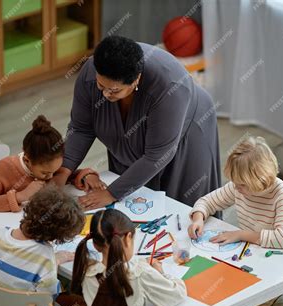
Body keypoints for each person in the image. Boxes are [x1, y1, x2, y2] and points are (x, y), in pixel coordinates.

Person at [53, 35, 221, 210]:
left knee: (180, 208)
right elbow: (81, 129)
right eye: (101, 86)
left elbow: (156, 156)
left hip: (188, 129)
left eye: (114, 90)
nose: (105, 95)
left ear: (136, 80)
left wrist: (112, 193)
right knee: (132, 208)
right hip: (149, 142)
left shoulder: (170, 88)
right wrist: (63, 172)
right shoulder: (91, 72)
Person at [0, 115, 104, 216]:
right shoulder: (6, 167)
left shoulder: (52, 166)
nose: (51, 177)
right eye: (45, 173)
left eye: (55, 171)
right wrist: (21, 196)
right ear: (27, 160)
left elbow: (66, 175)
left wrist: (86, 175)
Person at [0, 186, 85, 306]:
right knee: (80, 303)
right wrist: (52, 263)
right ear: (55, 236)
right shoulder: (45, 258)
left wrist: (52, 261)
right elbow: (48, 299)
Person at [70, 209, 186, 306]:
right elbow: (177, 294)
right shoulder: (139, 274)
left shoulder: (86, 268)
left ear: (95, 244)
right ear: (128, 238)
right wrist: (160, 272)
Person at [188, 137, 283, 249]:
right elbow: (207, 202)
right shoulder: (237, 187)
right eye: (235, 182)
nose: (236, 187)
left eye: (242, 184)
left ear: (261, 179)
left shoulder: (281, 193)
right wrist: (198, 219)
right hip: (252, 249)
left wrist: (240, 235)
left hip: (279, 255)